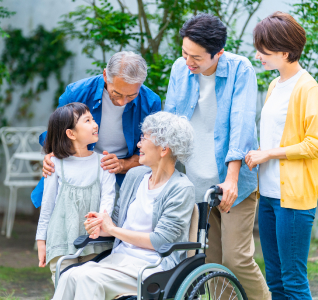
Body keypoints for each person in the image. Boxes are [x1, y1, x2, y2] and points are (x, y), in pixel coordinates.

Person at [164, 13, 270, 300]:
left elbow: (242, 124)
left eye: (196, 57)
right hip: (196, 183)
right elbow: (172, 122)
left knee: (237, 260)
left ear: (218, 53)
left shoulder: (240, 69)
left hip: (234, 182)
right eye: (185, 53)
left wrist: (231, 179)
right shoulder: (180, 69)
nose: (188, 62)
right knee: (210, 264)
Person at [52, 112, 195, 300]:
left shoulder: (181, 188)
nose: (138, 144)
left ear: (163, 149)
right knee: (70, 275)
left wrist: (113, 229)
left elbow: (161, 242)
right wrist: (101, 226)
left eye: (144, 138)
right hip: (120, 260)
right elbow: (117, 224)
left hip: (151, 268)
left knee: (87, 278)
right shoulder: (135, 176)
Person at [245, 12, 318, 300]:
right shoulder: (274, 85)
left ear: (285, 51)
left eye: (264, 51)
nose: (258, 56)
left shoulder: (307, 87)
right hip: (268, 194)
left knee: (293, 281)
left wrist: (269, 153)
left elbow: (317, 143)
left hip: (292, 198)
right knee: (276, 280)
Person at [31, 51, 162, 208]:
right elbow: (57, 135)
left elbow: (151, 151)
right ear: (106, 75)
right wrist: (52, 155)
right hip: (77, 169)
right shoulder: (76, 93)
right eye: (117, 93)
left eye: (131, 96)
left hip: (123, 178)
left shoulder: (151, 101)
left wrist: (123, 165)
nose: (122, 102)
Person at [35, 102, 116, 284]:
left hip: (95, 243)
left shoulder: (104, 162)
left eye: (93, 119)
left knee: (90, 288)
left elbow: (108, 198)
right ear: (71, 133)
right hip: (61, 241)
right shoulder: (55, 164)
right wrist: (41, 241)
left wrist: (100, 222)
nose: (95, 124)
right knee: (64, 286)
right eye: (87, 120)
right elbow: (47, 205)